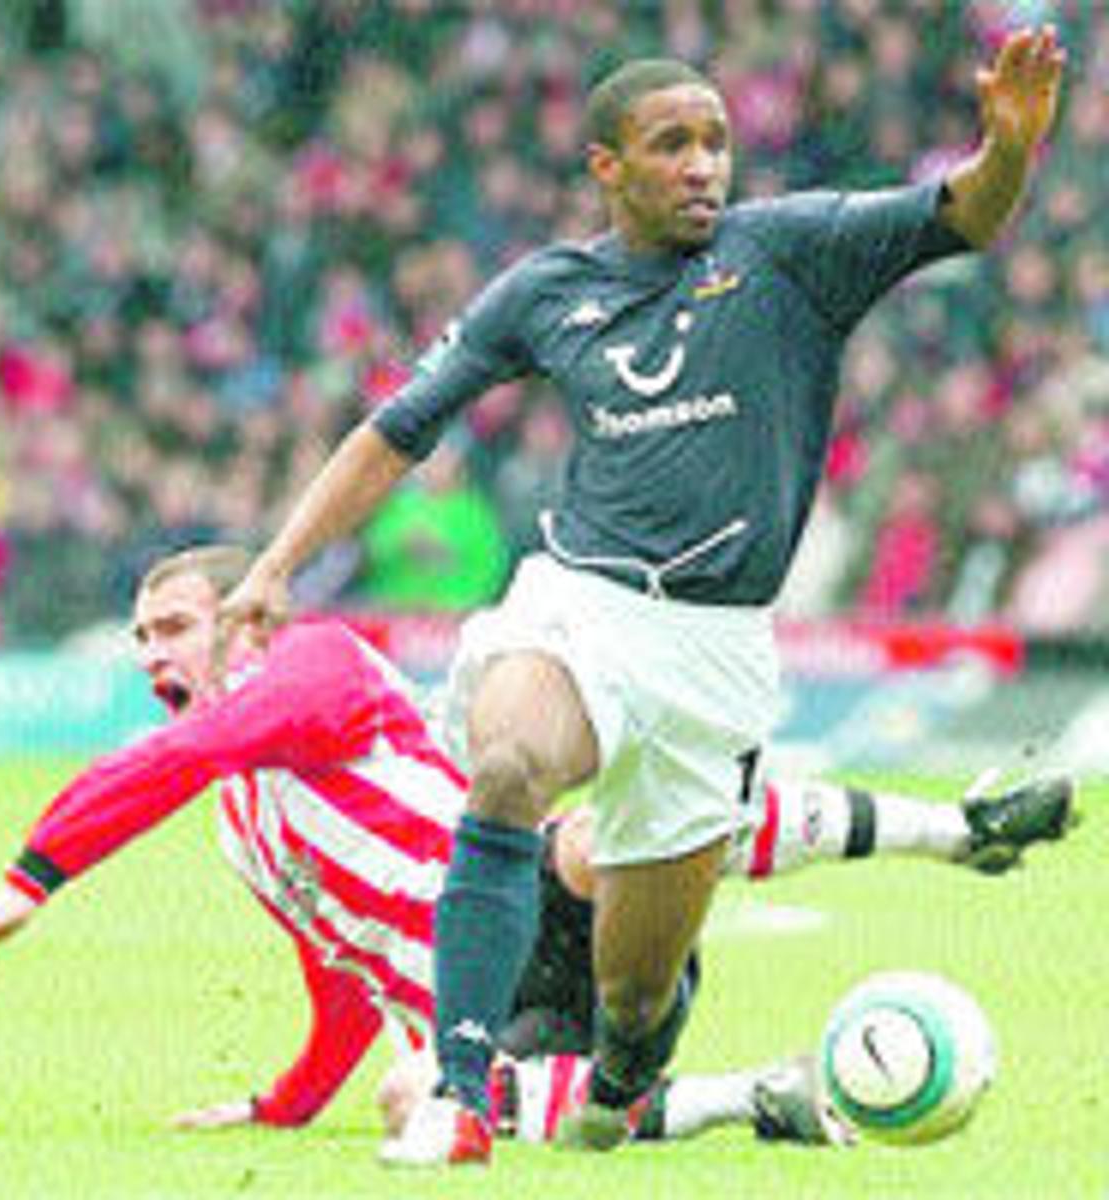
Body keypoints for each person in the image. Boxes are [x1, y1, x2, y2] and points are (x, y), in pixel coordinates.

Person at [218, 27, 1067, 1164]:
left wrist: (1007, 147)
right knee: (512, 759)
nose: (704, 165)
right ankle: (457, 1097)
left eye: (715, 142)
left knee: (632, 994)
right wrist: (275, 567)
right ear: (607, 166)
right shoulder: (545, 292)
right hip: (582, 602)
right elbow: (396, 431)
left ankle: (619, 1090)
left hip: (714, 656)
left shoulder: (790, 250)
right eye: (672, 145)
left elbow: (961, 212)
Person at [0, 544, 1071, 1147]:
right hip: (503, 1023)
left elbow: (178, 755)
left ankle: (957, 829)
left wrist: (30, 881)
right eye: (138, 635)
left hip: (563, 911)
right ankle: (759, 1100)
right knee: (407, 1092)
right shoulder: (244, 820)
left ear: (246, 615)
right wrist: (281, 1107)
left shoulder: (310, 668)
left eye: (174, 626)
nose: (150, 651)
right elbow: (345, 980)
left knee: (592, 834)